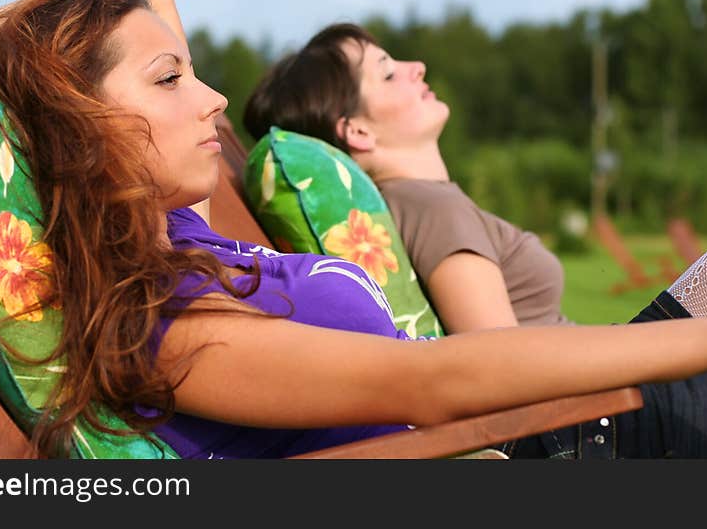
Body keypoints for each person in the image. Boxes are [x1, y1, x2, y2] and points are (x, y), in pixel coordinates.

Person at [0, 0, 707, 460]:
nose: (214, 101)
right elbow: (434, 382)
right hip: (567, 452)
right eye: (171, 80)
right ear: (83, 123)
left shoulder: (186, 233)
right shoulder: (167, 327)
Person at [244, 23, 575, 334]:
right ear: (358, 130)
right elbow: (502, 356)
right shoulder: (435, 209)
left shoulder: (415, 203)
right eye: (388, 74)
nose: (417, 66)